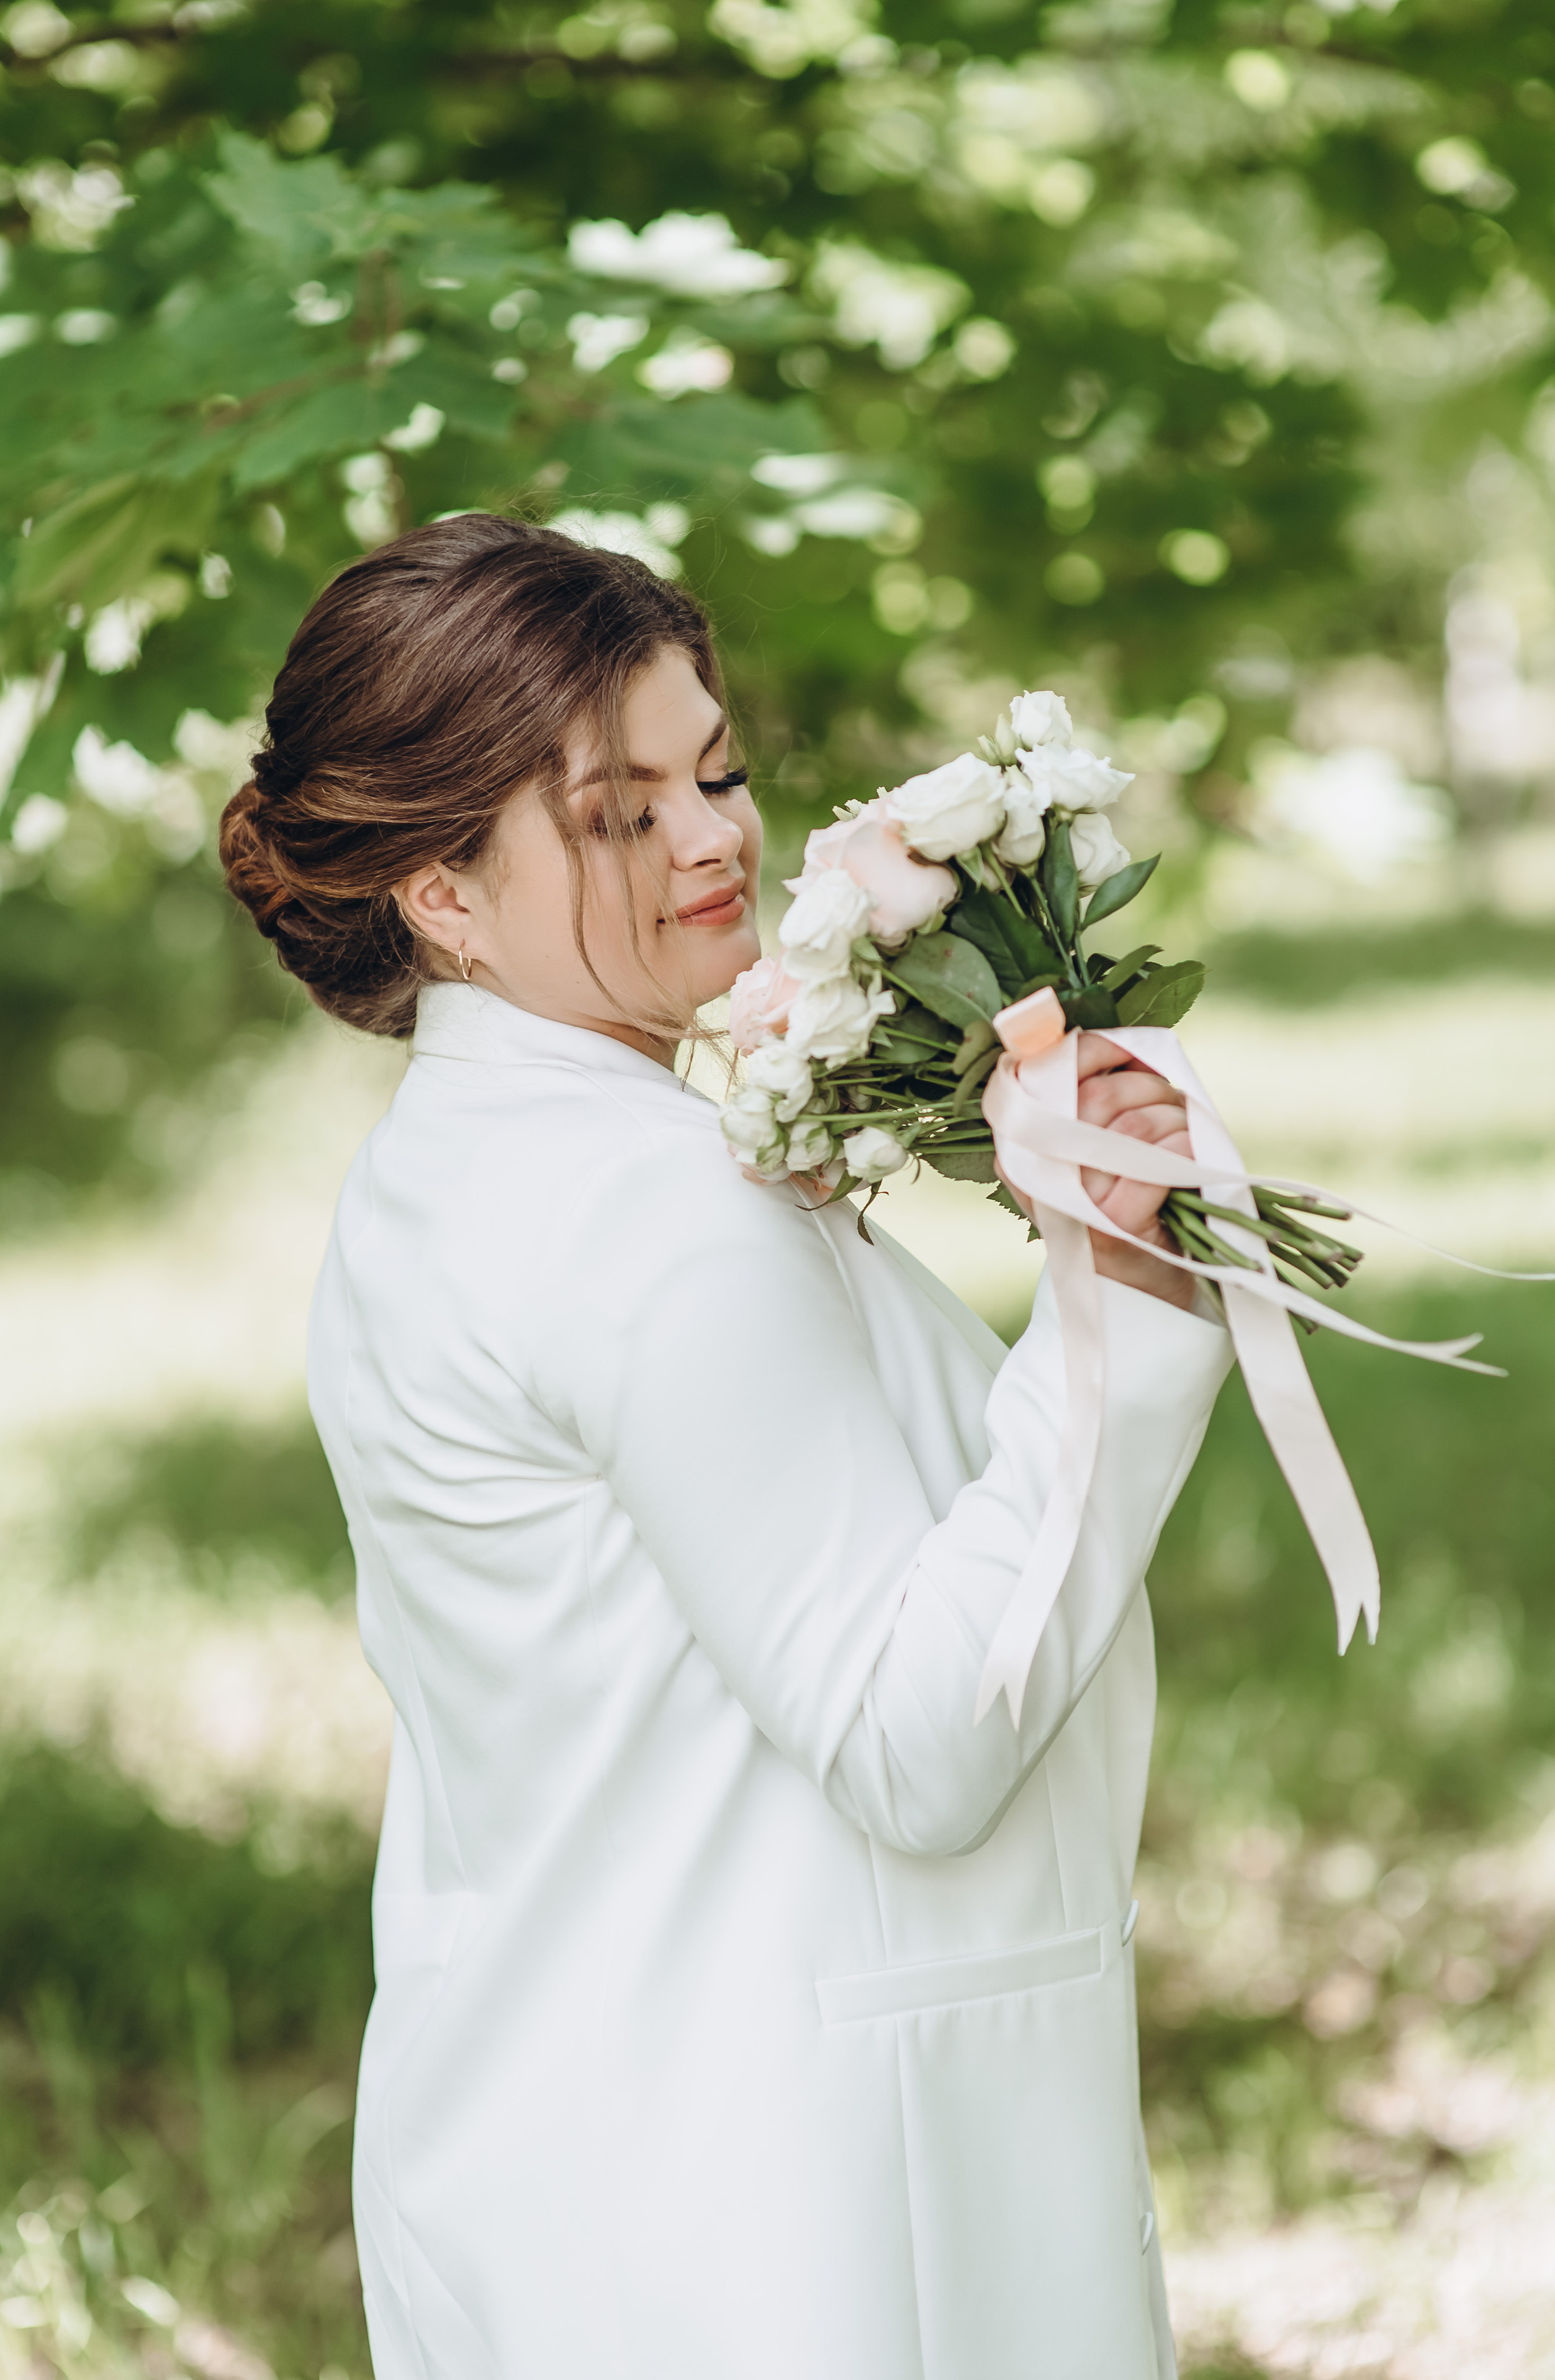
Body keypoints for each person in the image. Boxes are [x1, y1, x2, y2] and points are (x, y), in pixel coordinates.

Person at [220, 513, 1233, 2380]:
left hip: (582, 2131)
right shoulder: (639, 1210)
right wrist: (1128, 1316)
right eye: (621, 811)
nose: (715, 838)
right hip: (802, 2208)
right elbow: (919, 1737)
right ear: (444, 890)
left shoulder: (458, 1164)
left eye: (721, 770)